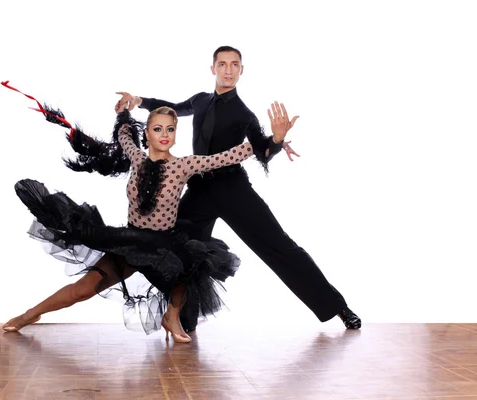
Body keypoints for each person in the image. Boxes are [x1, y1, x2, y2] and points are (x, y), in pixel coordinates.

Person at [1, 96, 294, 341]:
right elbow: (124, 135)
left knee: (192, 264)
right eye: (157, 129)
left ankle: (172, 317)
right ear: (149, 133)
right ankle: (30, 314)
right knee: (82, 290)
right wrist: (125, 110)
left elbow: (228, 156)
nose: (164, 135)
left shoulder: (184, 165)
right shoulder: (136, 158)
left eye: (170, 129)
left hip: (163, 248)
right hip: (130, 243)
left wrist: (275, 140)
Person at [114, 45, 361, 331]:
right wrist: (139, 100)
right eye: (223, 64)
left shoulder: (245, 114)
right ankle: (183, 320)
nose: (228, 70)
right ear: (213, 69)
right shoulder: (200, 100)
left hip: (233, 191)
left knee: (279, 246)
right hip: (199, 191)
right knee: (179, 251)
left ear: (241, 71)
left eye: (234, 65)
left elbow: (262, 151)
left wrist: (277, 141)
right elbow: (173, 108)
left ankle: (337, 306)